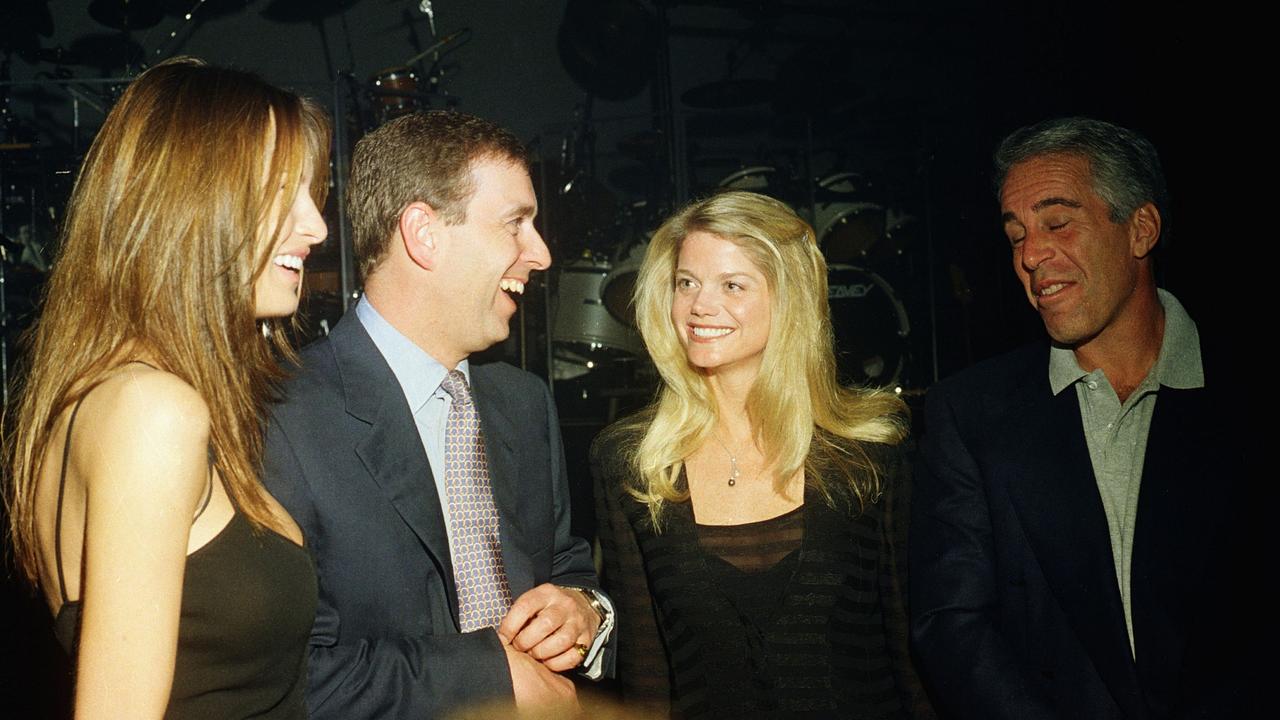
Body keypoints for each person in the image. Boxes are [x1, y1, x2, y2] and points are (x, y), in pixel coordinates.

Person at [2, 57, 329, 719]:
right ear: (192, 200)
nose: (316, 226)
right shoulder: (151, 412)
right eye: (282, 191)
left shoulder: (110, 397)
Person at [262, 110, 615, 719]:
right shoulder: (278, 414)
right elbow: (279, 680)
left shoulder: (524, 404)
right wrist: (488, 680)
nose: (541, 254)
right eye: (516, 224)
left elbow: (568, 565)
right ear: (424, 233)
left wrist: (584, 611)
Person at [910, 117, 1251, 718]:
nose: (1031, 255)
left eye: (1057, 222)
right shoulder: (971, 412)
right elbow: (953, 626)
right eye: (1015, 235)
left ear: (1140, 230)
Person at [591, 190, 936, 719]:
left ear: (789, 298)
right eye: (687, 283)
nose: (700, 306)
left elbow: (910, 653)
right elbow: (645, 672)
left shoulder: (868, 454)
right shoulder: (634, 463)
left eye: (733, 285)